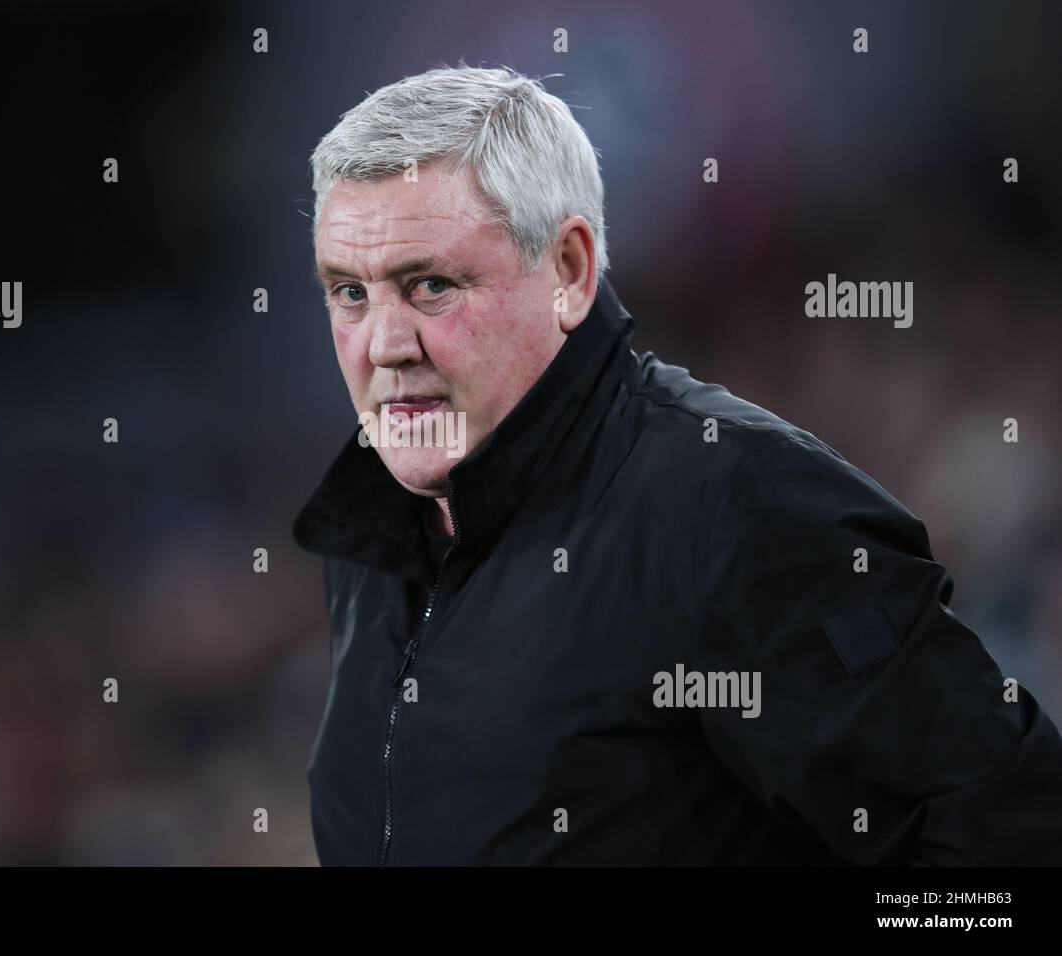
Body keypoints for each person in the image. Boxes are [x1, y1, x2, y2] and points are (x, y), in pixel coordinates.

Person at [292, 65, 1062, 865]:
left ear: (569, 271)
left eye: (431, 285)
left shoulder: (745, 508)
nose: (383, 344)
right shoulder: (375, 532)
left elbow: (1006, 859)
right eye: (349, 292)